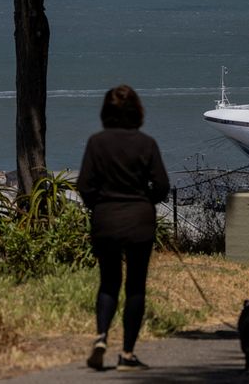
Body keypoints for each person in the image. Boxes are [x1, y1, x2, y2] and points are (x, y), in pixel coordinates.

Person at [77, 85, 170, 371]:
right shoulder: (147, 144)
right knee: (135, 286)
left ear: (106, 111)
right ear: (137, 111)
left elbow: (84, 186)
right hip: (139, 220)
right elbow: (163, 186)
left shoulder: (96, 143)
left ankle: (102, 335)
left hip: (106, 219)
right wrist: (145, 201)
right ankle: (127, 354)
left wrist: (100, 205)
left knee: (108, 282)